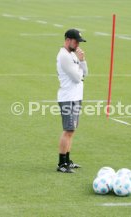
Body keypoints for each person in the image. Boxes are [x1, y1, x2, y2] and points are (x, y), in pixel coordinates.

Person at [56, 29, 88, 173]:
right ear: (68, 40)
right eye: (76, 41)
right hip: (68, 98)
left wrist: (82, 61)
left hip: (75, 97)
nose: (77, 45)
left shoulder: (73, 55)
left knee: (71, 131)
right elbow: (77, 78)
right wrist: (80, 72)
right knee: (67, 130)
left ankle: (68, 161)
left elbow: (84, 74)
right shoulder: (64, 56)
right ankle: (62, 164)